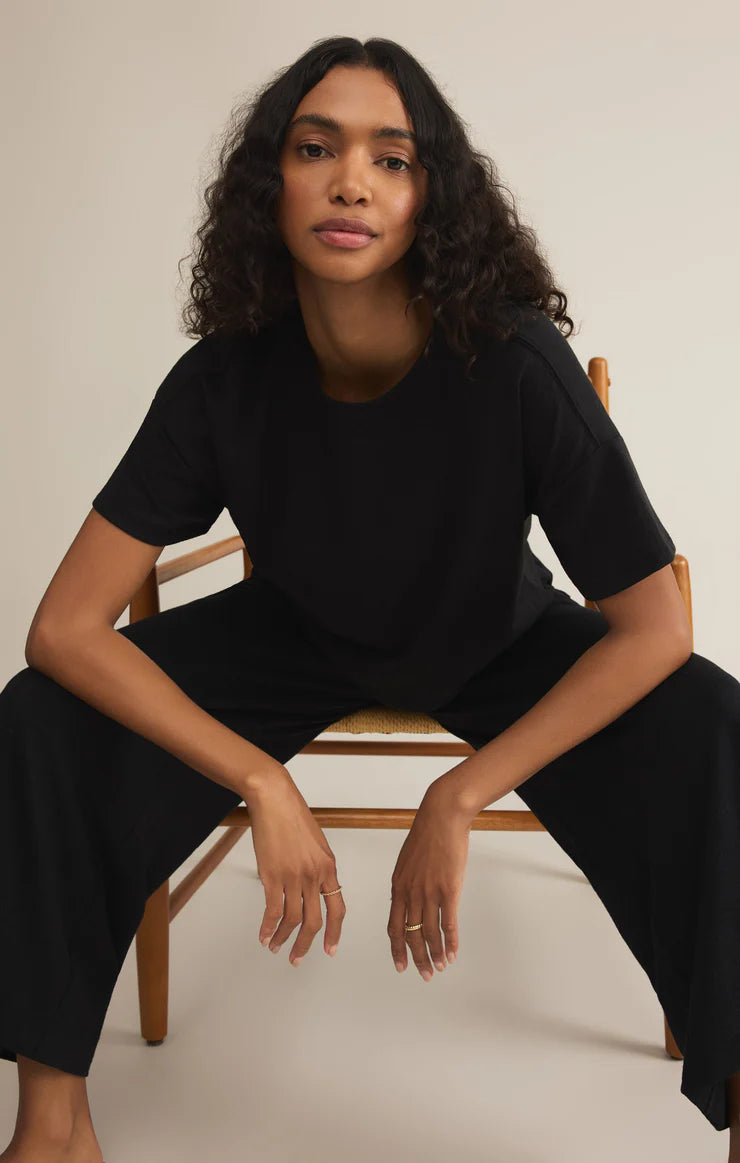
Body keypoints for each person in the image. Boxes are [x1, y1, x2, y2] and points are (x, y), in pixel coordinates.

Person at [2, 34, 739, 1163]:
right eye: (316, 149)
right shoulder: (223, 377)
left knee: (713, 725)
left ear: (430, 197)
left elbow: (655, 625)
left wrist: (461, 793)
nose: (351, 181)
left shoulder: (515, 359)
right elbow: (61, 629)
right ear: (270, 182)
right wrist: (259, 777)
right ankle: (51, 1125)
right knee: (42, 719)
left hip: (491, 635)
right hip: (292, 634)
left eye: (391, 159)